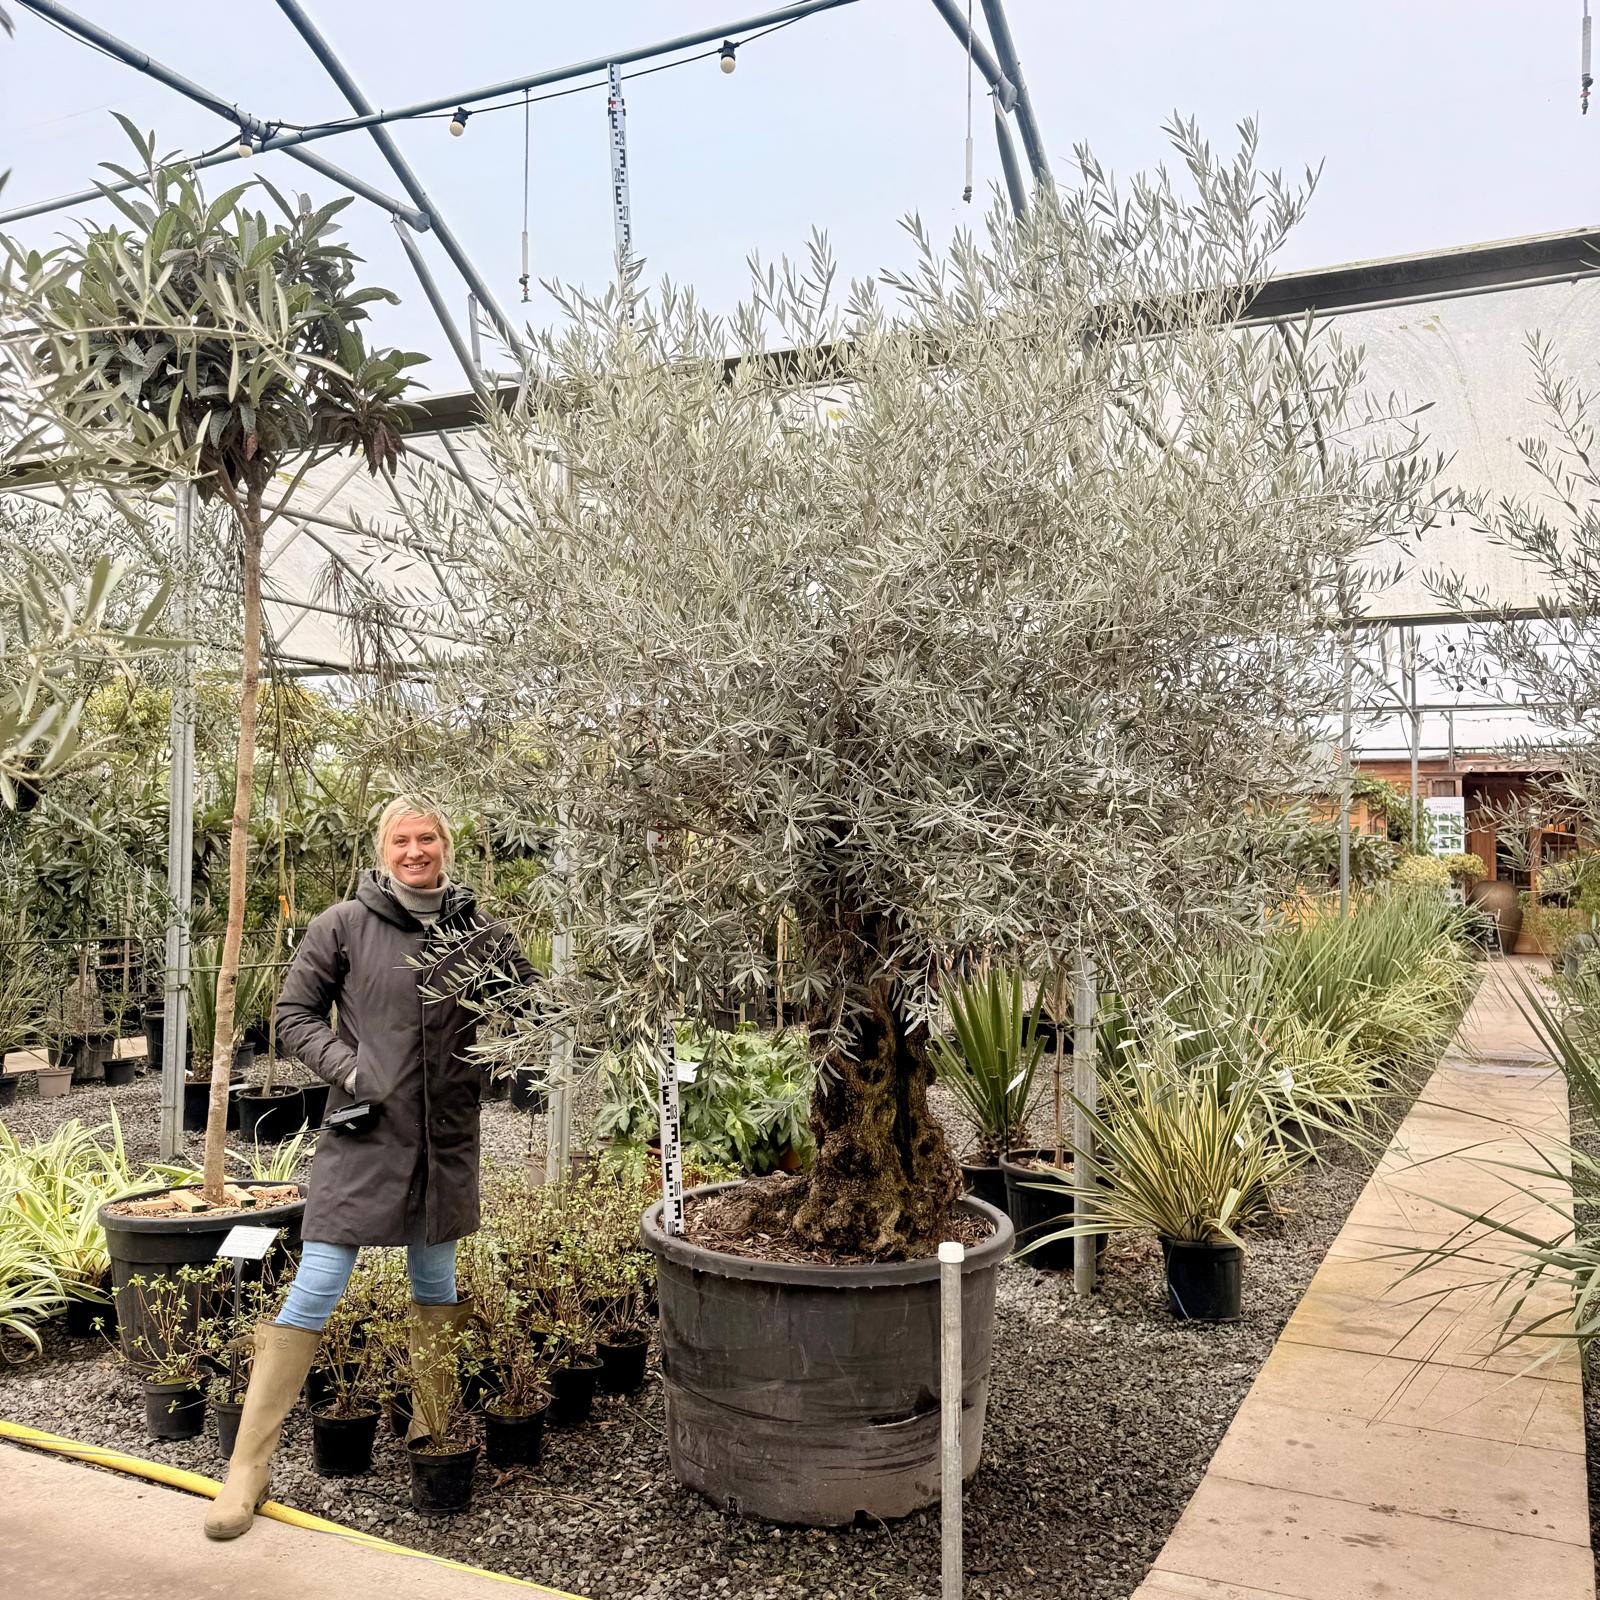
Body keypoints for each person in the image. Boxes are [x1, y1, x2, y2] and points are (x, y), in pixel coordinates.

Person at [205, 795, 538, 1541]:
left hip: (444, 1141)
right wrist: (353, 1071)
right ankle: (246, 1470)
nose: (415, 851)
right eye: (401, 840)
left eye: (427, 838)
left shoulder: (478, 932)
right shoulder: (343, 924)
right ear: (382, 851)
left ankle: (433, 1435)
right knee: (317, 1283)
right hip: (365, 1134)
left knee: (436, 1284)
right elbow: (293, 1015)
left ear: (445, 845)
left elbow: (533, 1006)